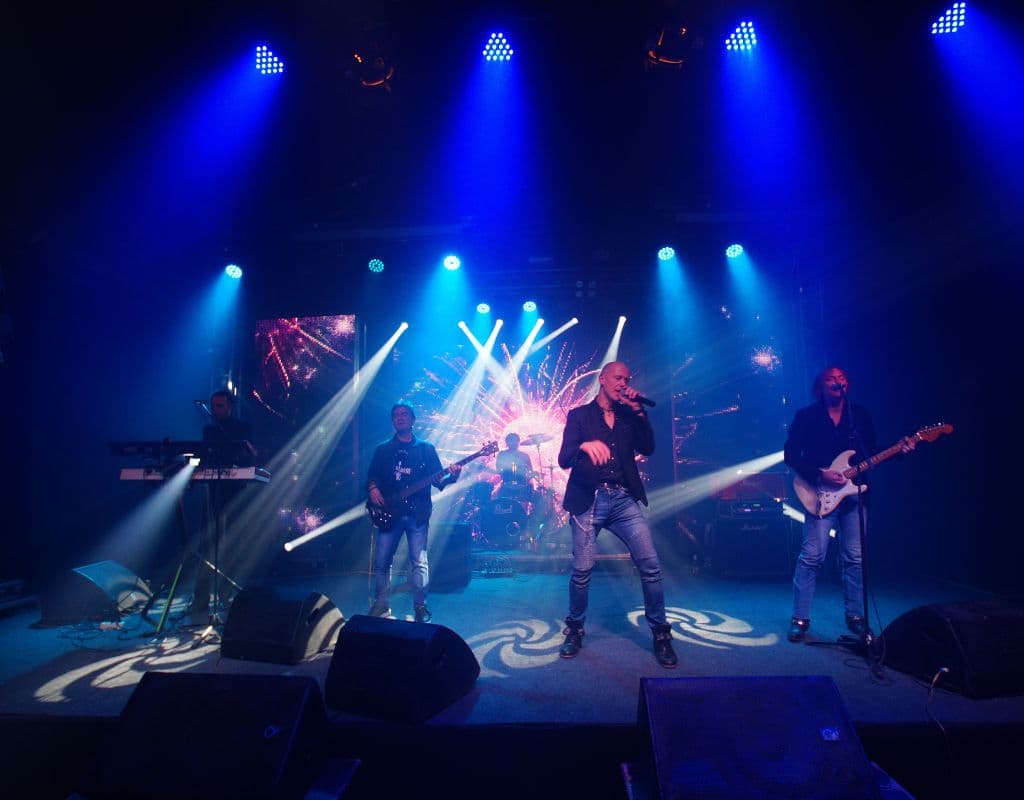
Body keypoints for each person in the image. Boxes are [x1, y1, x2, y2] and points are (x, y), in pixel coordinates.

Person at [556, 361, 677, 668]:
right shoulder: (580, 415)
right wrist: (584, 445)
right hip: (589, 498)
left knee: (650, 565)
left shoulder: (627, 416)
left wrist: (638, 411)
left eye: (627, 379)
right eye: (618, 378)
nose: (623, 383)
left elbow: (648, 447)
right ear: (602, 379)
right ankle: (575, 628)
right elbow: (564, 458)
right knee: (582, 570)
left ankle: (661, 634)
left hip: (623, 500)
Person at [784, 366, 914, 642]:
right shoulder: (807, 416)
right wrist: (819, 474)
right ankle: (800, 618)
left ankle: (856, 617)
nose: (837, 381)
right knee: (812, 556)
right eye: (831, 378)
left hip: (855, 495)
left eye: (841, 377)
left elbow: (872, 452)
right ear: (820, 387)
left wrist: (899, 450)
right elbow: (790, 454)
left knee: (854, 557)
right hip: (819, 493)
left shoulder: (859, 416)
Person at [366, 403, 462, 623]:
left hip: (417, 514)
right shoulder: (383, 449)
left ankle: (420, 607)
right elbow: (372, 475)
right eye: (395, 415)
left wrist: (454, 476)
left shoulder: (426, 449)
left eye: (404, 414)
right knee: (382, 561)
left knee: (419, 562)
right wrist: (373, 489)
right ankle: (381, 604)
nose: (399, 418)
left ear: (412, 419)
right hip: (389, 513)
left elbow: (439, 481)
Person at [193, 389, 258, 621]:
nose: (215, 410)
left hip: (235, 492)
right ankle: (200, 600)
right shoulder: (209, 430)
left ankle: (226, 594)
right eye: (213, 406)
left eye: (219, 406)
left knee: (232, 544)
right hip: (214, 491)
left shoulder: (242, 427)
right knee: (208, 543)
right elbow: (204, 456)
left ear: (230, 406)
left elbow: (250, 455)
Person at [495, 432, 535, 500]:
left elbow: (530, 472)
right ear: (507, 443)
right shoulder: (502, 454)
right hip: (508, 485)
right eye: (511, 441)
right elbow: (498, 470)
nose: (513, 443)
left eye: (515, 441)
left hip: (520, 486)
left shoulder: (524, 456)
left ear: (518, 442)